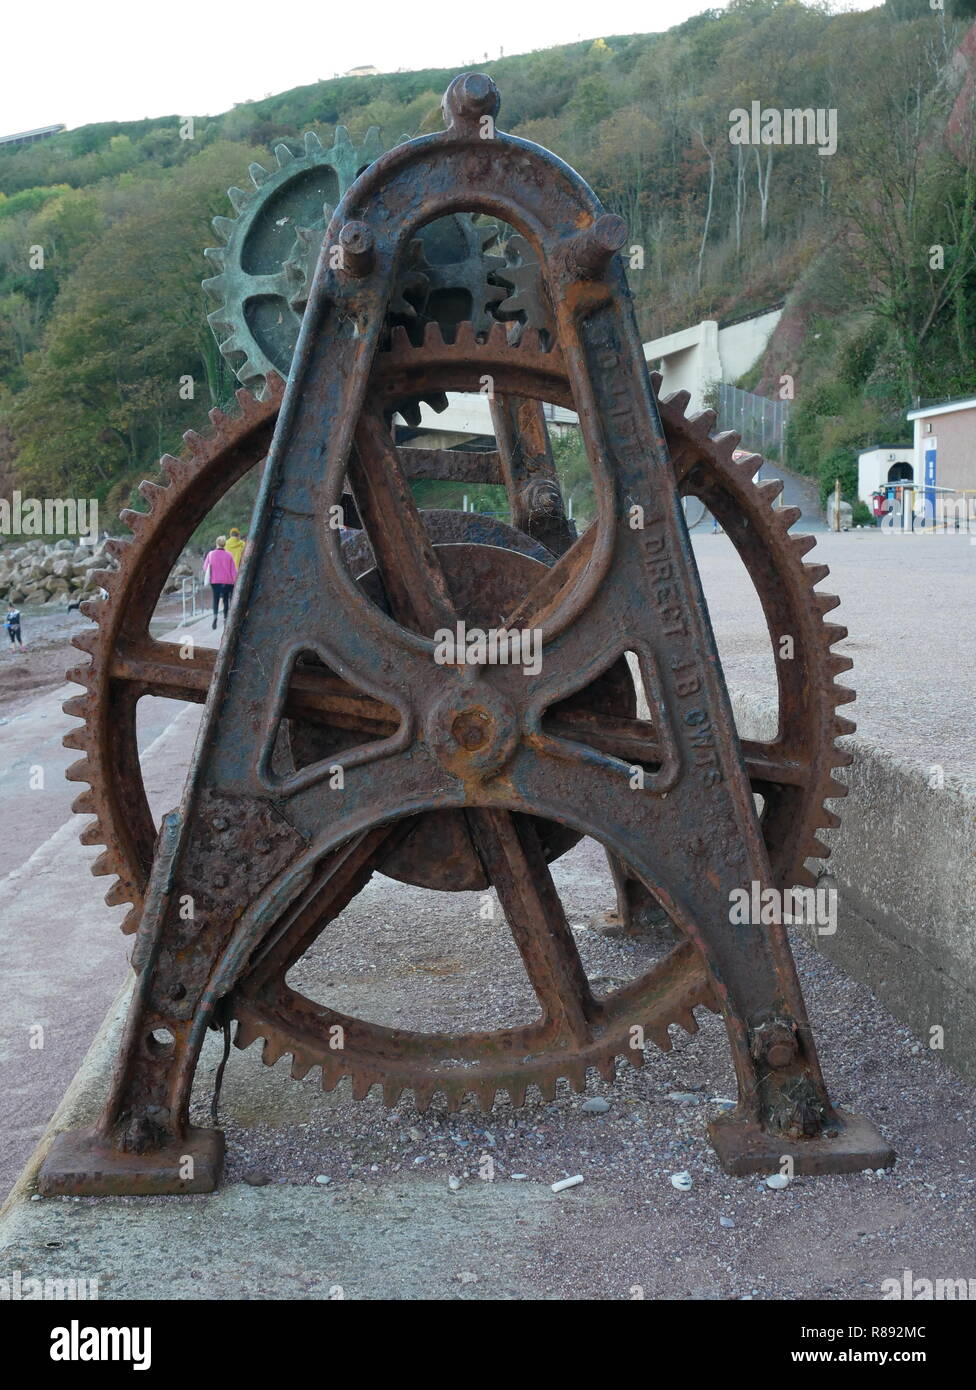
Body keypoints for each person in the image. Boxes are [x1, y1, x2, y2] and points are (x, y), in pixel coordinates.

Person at [202, 536, 237, 630]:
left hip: (215, 581)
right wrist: (235, 581)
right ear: (224, 544)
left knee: (216, 599)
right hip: (227, 581)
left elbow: (205, 568)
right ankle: (225, 618)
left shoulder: (211, 554)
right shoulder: (229, 555)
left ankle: (215, 617)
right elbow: (233, 571)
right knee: (226, 600)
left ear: (216, 543)